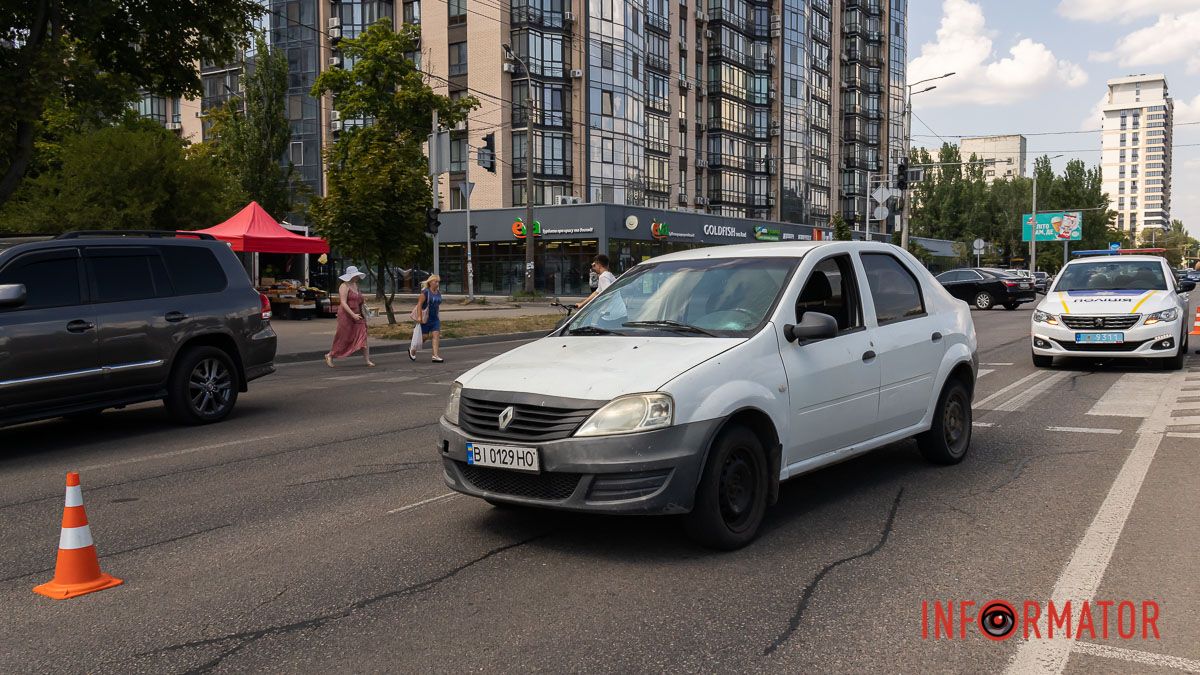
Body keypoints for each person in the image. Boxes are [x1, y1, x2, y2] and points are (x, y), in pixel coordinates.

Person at [325, 266, 375, 368]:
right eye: (355, 275)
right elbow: (343, 303)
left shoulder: (355, 285)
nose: (357, 277)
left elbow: (360, 299)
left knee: (363, 336)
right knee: (344, 337)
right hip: (346, 315)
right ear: (350, 276)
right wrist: (352, 314)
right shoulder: (344, 286)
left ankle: (367, 360)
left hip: (359, 315)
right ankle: (330, 355)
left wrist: (365, 307)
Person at [409, 274, 444, 363]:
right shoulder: (425, 292)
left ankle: (435, 356)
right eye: (435, 281)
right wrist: (420, 316)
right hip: (425, 319)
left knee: (436, 335)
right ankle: (412, 349)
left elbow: (437, 305)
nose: (437, 283)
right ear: (430, 282)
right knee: (424, 337)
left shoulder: (438, 293)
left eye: (438, 282)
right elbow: (419, 305)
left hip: (435, 318)